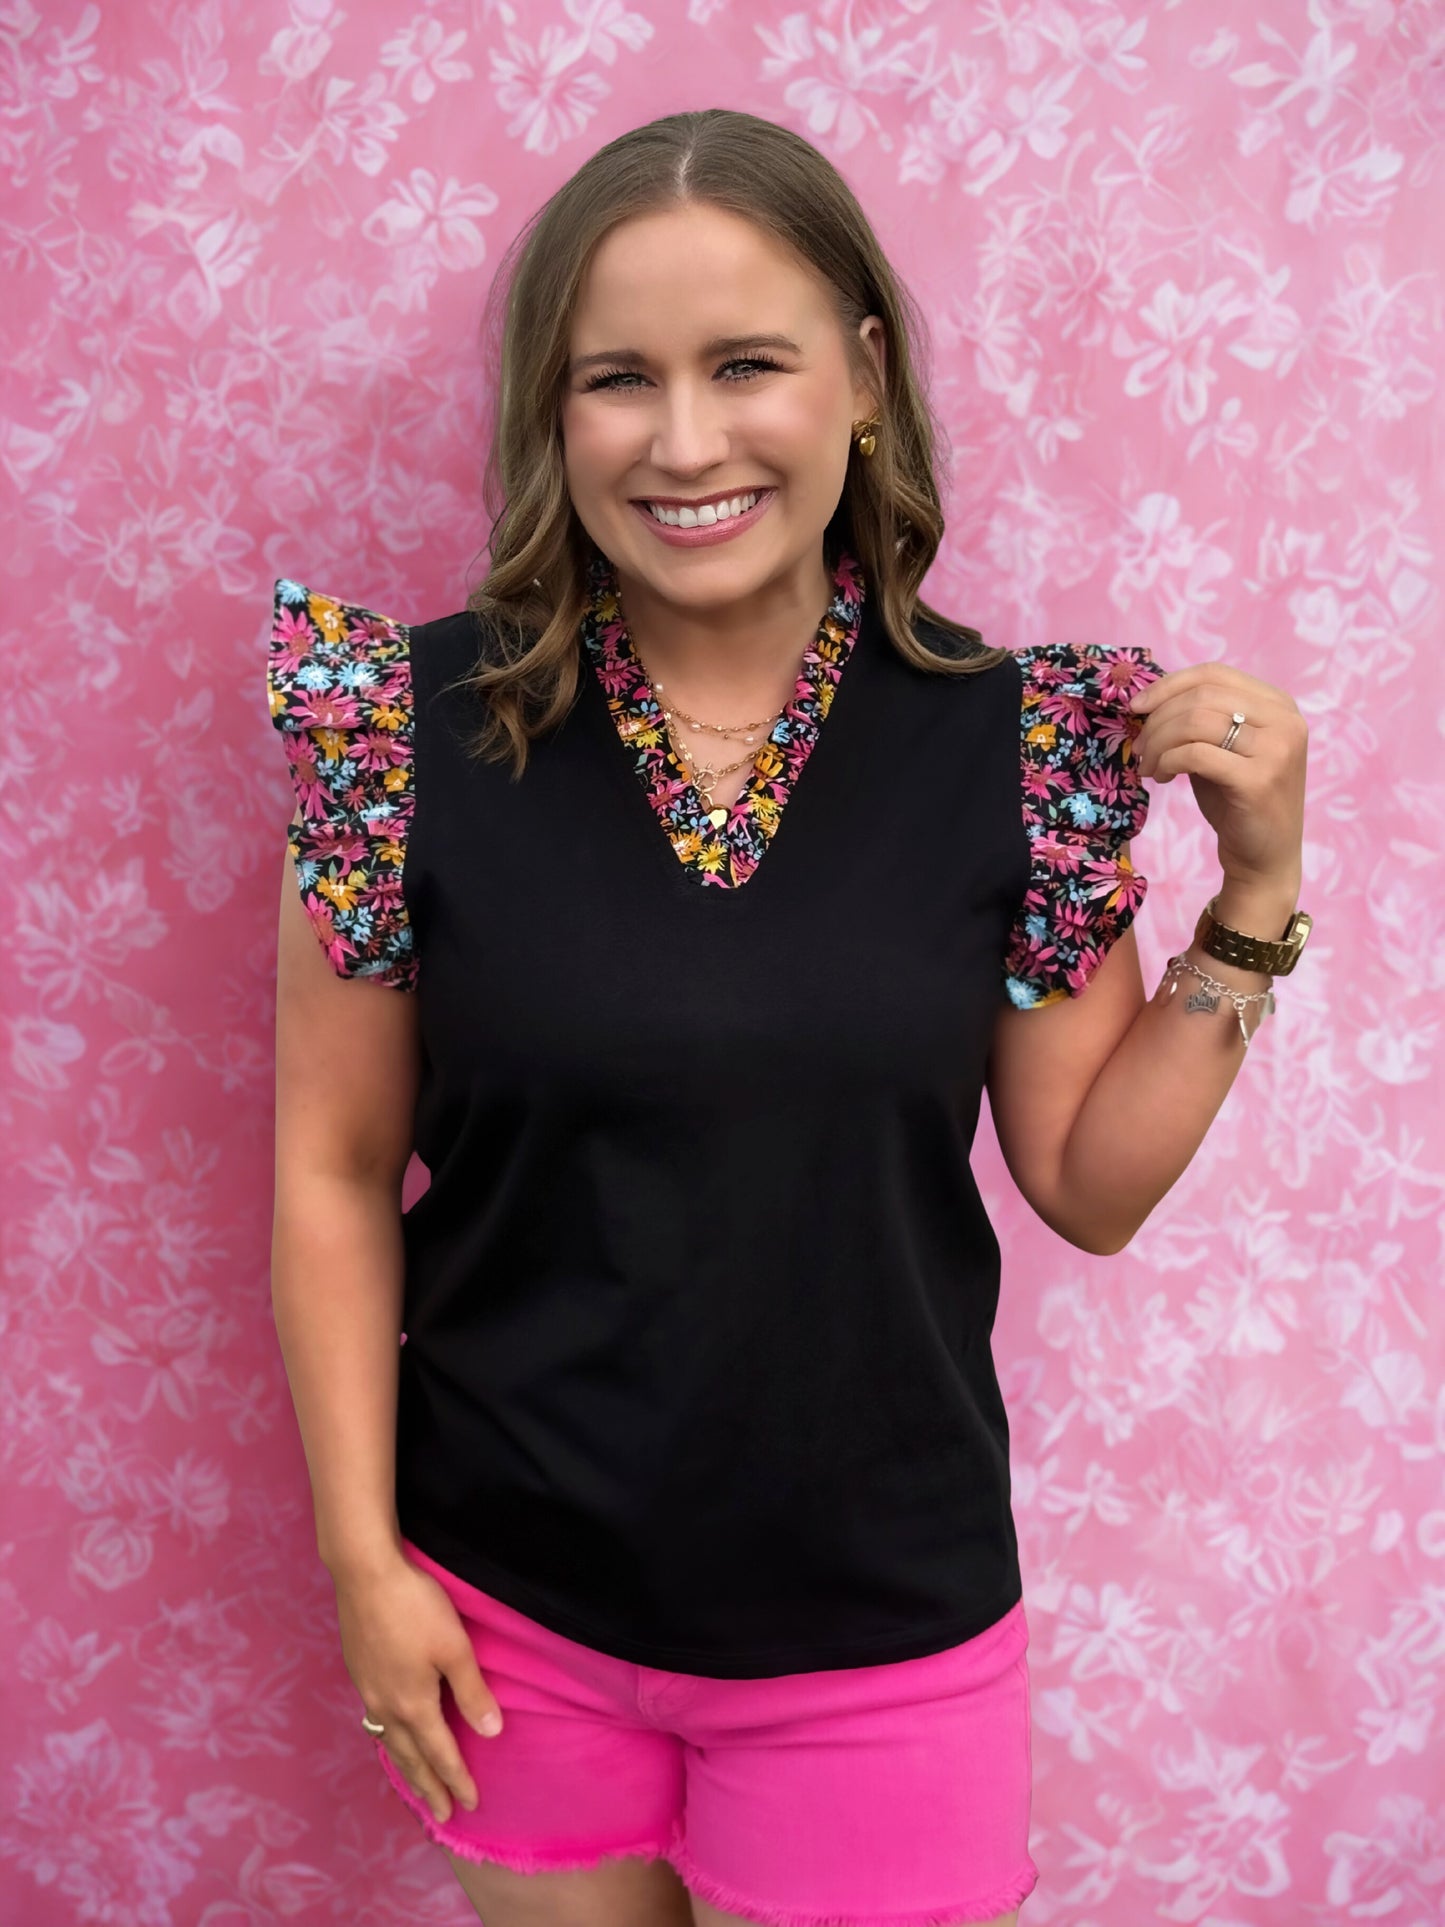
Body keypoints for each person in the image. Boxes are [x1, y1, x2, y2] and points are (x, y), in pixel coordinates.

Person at [265, 107, 1311, 1927]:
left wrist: (1251, 903)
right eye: (616, 379)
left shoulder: (1019, 748)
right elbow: (336, 1170)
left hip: (876, 1628)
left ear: (863, 382)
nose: (683, 443)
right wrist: (366, 1560)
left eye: (745, 363)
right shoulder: (396, 737)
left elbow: (1087, 1182)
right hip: (510, 1611)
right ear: (551, 410)